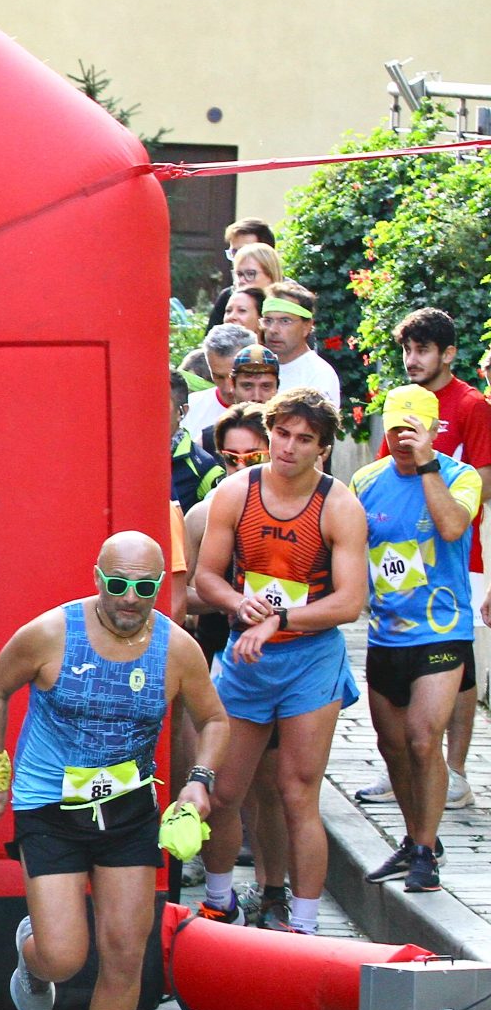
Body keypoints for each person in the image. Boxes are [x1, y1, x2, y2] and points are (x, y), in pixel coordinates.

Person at [0, 532, 228, 1010]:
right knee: (65, 957)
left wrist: (198, 782)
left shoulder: (177, 648)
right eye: (118, 584)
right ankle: (34, 955)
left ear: (159, 585)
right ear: (97, 578)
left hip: (128, 808)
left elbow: (214, 718)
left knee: (126, 951)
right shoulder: (51, 633)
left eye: (144, 587)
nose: (130, 598)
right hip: (50, 806)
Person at [190, 388, 365, 932]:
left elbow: (350, 602)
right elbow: (205, 576)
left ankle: (305, 925)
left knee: (297, 794)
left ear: (323, 448)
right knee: (224, 791)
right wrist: (236, 602)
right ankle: (218, 902)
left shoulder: (339, 505)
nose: (289, 447)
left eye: (304, 439)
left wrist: (280, 619)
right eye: (282, 434)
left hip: (309, 659)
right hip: (246, 658)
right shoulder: (235, 492)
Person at [356, 307, 491, 821]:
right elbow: (375, 483)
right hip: (393, 587)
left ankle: (453, 769)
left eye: (423, 350)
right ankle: (411, 779)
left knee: (458, 676)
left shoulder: (471, 405)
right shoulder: (396, 412)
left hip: (455, 559)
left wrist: (434, 473)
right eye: (407, 350)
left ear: (448, 354)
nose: (412, 359)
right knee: (401, 735)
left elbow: (481, 481)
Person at [350, 385, 480, 896]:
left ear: (432, 431)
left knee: (424, 739)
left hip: (443, 629)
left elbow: (451, 527)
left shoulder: (460, 476)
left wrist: (428, 466)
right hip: (386, 631)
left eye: (414, 431)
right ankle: (415, 838)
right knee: (394, 747)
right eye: (396, 430)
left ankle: (425, 851)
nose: (404, 440)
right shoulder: (366, 480)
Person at [254, 279, 339, 406]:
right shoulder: (257, 366)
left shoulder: (319, 374)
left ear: (307, 326)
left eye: (285, 321)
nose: (273, 330)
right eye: (268, 320)